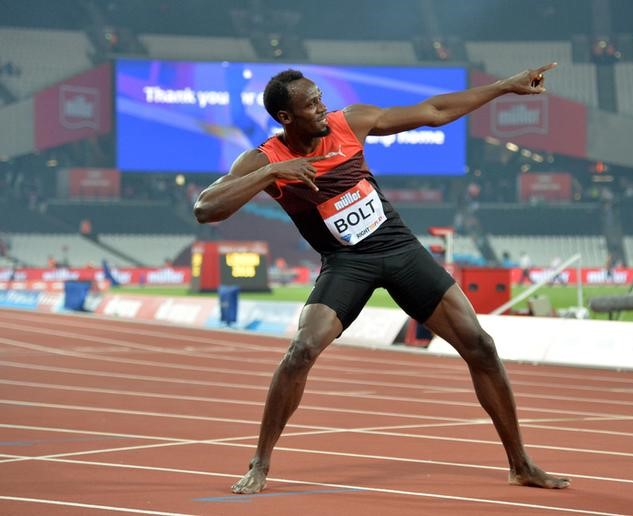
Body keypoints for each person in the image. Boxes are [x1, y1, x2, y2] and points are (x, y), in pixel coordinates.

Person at [193, 63, 570, 494]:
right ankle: (260, 463)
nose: (322, 108)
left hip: (400, 250)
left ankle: (520, 464)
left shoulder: (349, 122)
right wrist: (270, 174)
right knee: (301, 350)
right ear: (286, 118)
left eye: (321, 98)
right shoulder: (264, 159)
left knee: (481, 345)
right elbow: (206, 208)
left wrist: (505, 85)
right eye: (311, 104)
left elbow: (433, 111)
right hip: (346, 264)